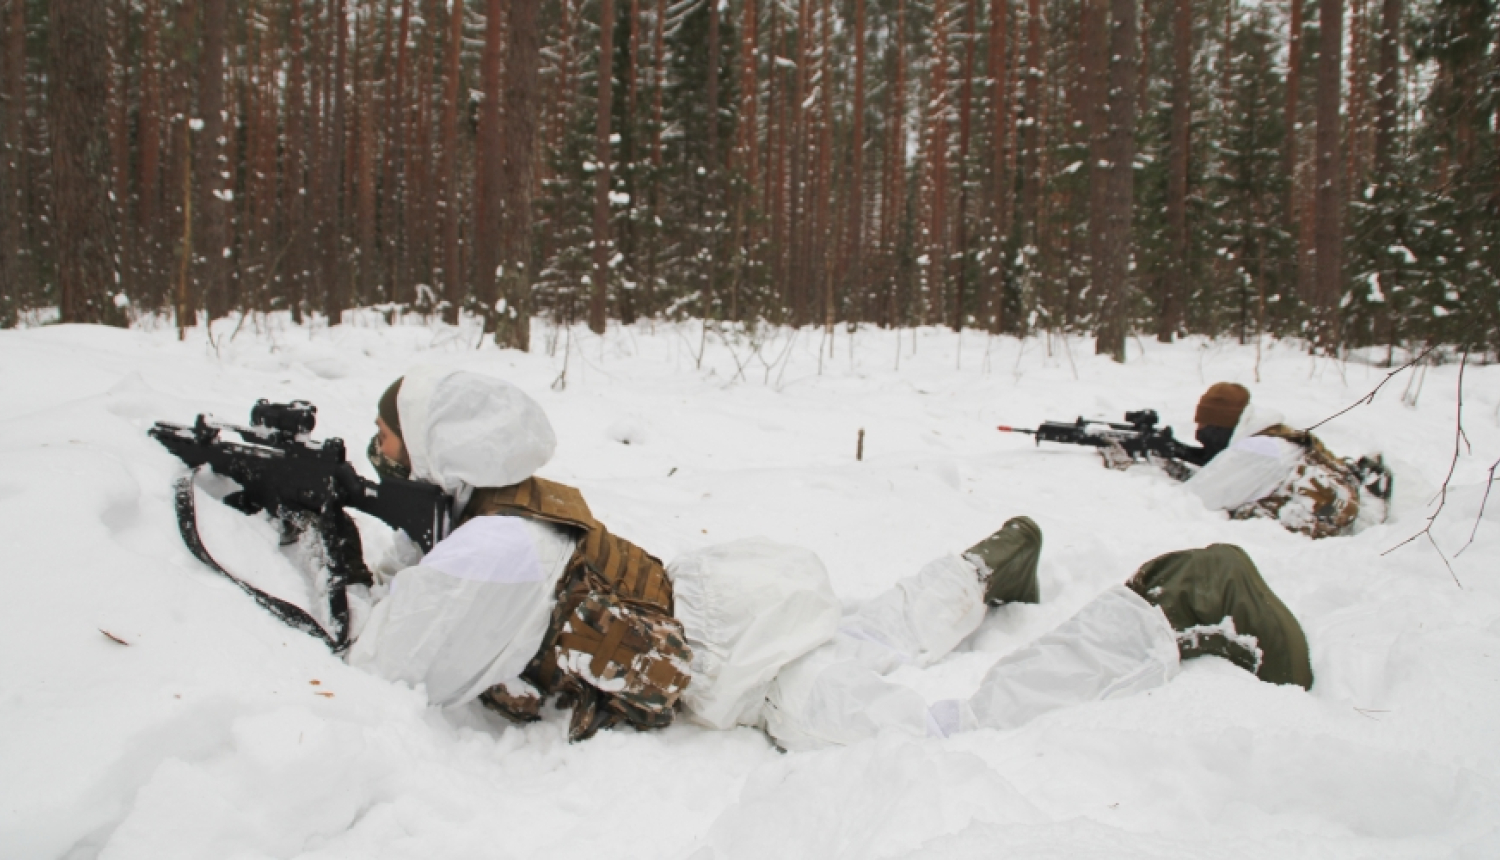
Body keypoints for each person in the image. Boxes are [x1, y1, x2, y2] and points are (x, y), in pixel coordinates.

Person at [347, 367, 1313, 749]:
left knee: (940, 729)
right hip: (736, 599)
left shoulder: (501, 546)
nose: (379, 451)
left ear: (439, 447)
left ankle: (1179, 601)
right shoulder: (506, 510)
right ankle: (989, 568)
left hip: (749, 664)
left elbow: (396, 665)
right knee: (866, 629)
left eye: (390, 437)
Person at [1175, 383, 1391, 539]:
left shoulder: (1257, 451)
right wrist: (1180, 451)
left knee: (1240, 516)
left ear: (1221, 426)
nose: (1199, 435)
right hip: (1337, 497)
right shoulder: (1270, 434)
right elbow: (1222, 465)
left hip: (1318, 526)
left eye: (1204, 428)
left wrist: (1170, 460)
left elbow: (1197, 499)